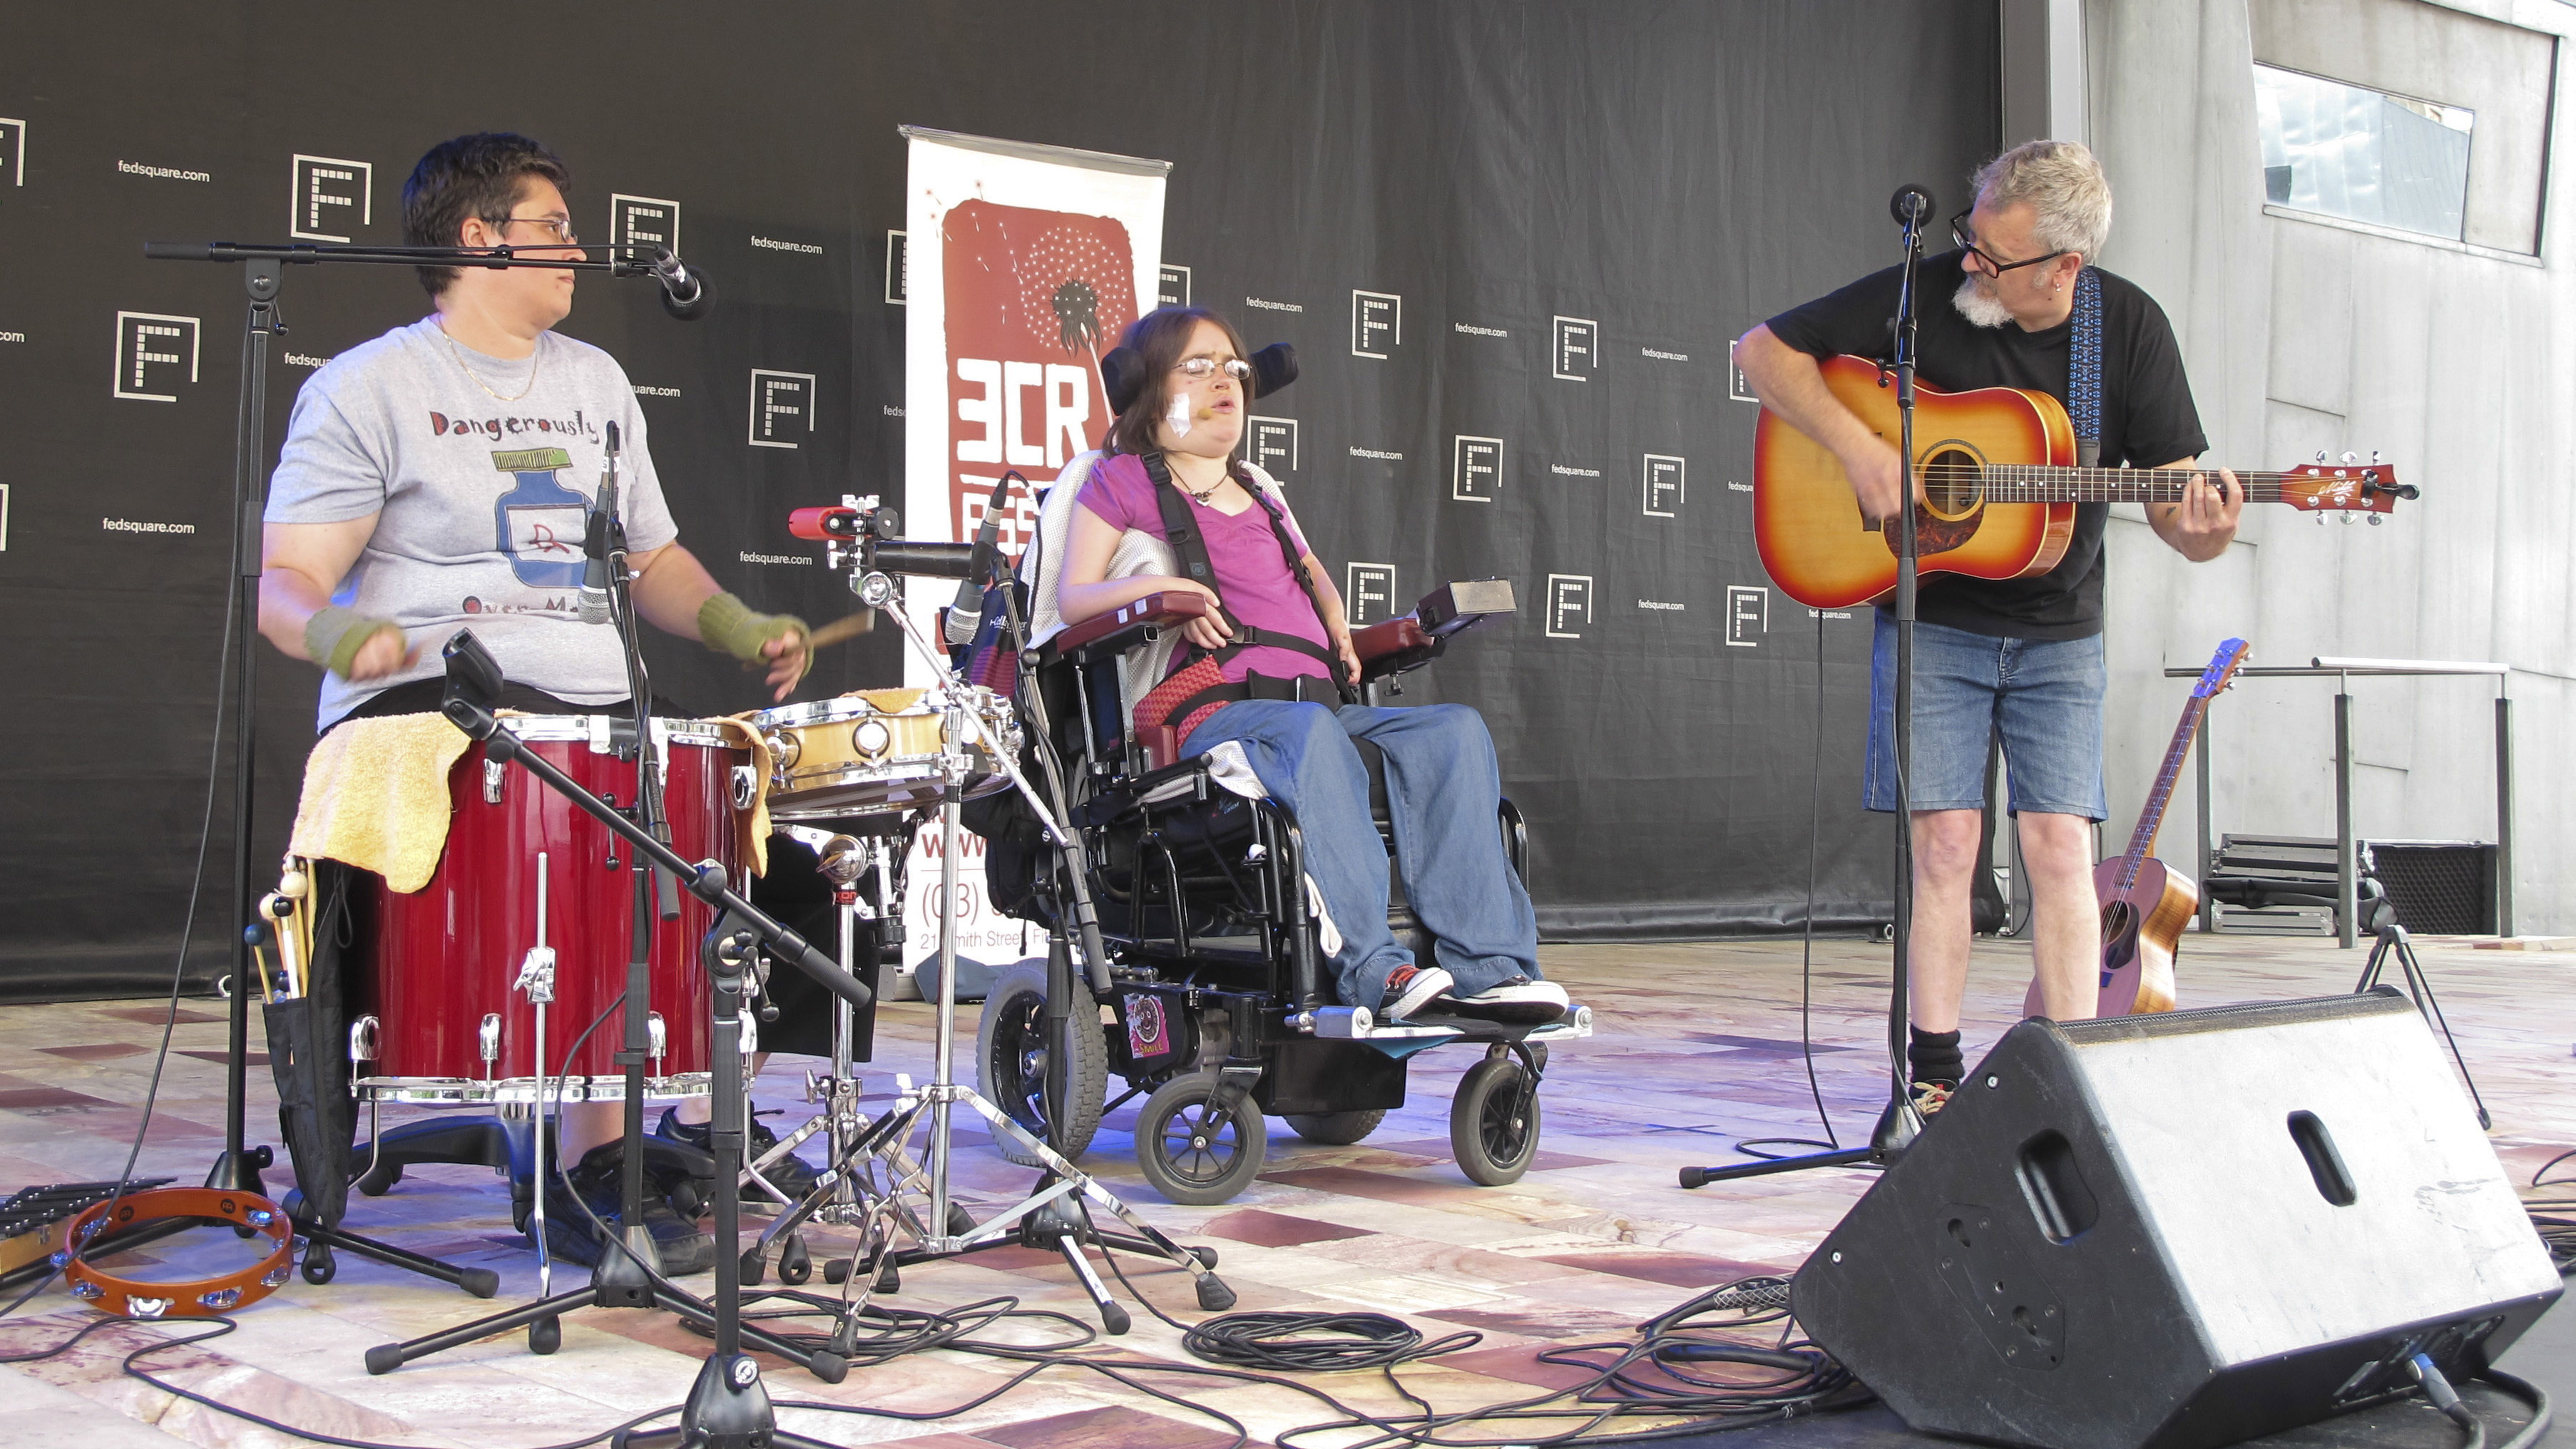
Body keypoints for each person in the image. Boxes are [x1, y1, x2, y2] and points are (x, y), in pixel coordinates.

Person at [257, 133, 817, 1271]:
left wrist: (736, 624)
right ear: (480, 237)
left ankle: (652, 1133)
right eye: (556, 227)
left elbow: (651, 560)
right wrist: (338, 632)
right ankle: (588, 1166)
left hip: (597, 708)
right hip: (436, 706)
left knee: (787, 885)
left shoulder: (597, 383)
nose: (579, 248)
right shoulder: (369, 385)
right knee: (579, 831)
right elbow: (285, 585)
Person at [1733, 140, 2242, 1115]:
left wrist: (2208, 532)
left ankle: (2069, 1072)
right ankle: (1930, 1080)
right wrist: (1860, 451)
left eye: (1995, 258)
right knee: (1946, 850)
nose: (1970, 265)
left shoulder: (2126, 332)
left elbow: (2183, 512)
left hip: (2061, 628)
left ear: (2065, 268)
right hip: (1936, 620)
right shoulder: (1932, 291)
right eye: (1972, 240)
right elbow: (1760, 349)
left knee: (2059, 848)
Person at [1055, 305, 1566, 1025]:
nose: (1223, 380)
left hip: (1316, 706)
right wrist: (1165, 592)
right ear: (1146, 387)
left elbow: (1313, 570)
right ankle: (1374, 969)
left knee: (1453, 730)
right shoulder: (1122, 481)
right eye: (1195, 367)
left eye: (1232, 368)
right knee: (1312, 737)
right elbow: (1074, 597)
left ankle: (1491, 969)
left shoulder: (1259, 487)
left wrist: (1334, 617)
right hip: (1214, 713)